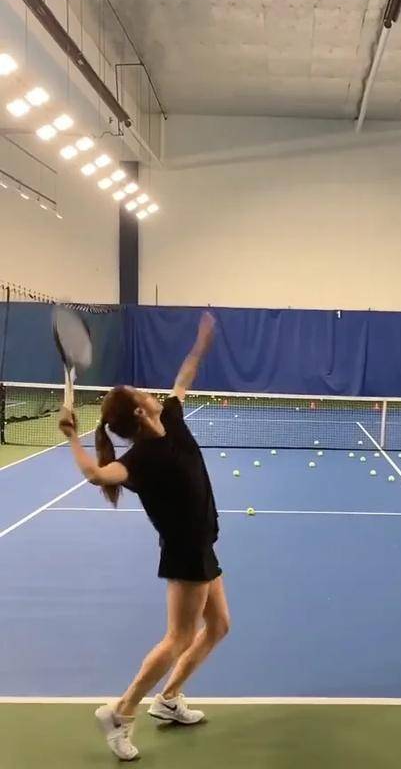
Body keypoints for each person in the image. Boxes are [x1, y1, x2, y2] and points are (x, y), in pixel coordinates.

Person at [59, 311, 230, 761]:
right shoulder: (140, 460)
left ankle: (168, 699)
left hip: (203, 545)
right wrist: (72, 436)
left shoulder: (171, 416)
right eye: (141, 393)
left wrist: (201, 344)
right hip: (186, 554)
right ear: (139, 410)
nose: (151, 393)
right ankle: (121, 711)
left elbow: (183, 377)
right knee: (178, 637)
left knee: (218, 626)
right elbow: (98, 475)